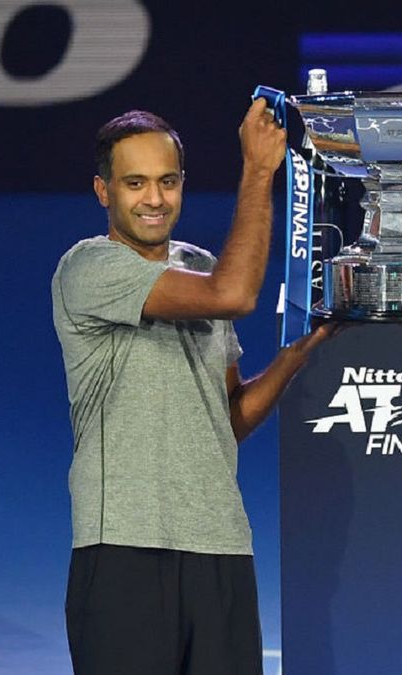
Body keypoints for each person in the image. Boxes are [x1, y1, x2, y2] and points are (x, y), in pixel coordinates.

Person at [51, 102, 332, 675]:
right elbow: (235, 295)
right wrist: (257, 172)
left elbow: (226, 418)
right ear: (103, 191)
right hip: (124, 549)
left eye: (167, 181)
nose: (154, 199)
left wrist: (295, 356)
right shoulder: (89, 268)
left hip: (221, 546)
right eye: (135, 183)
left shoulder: (199, 265)